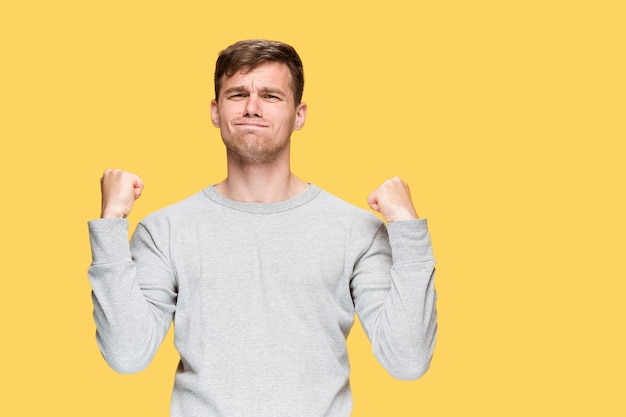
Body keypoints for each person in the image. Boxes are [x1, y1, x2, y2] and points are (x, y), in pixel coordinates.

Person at [87, 39, 437, 417]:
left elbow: (407, 360)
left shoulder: (356, 230)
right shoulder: (165, 230)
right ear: (215, 111)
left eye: (270, 96)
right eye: (237, 94)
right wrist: (111, 225)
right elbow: (126, 354)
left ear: (299, 114)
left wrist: (407, 230)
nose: (252, 107)